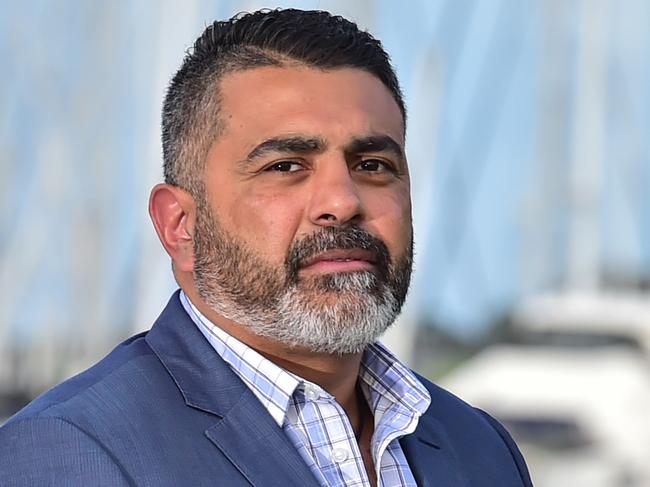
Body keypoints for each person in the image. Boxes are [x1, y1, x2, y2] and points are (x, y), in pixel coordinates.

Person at [0, 8, 532, 486]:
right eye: (285, 167)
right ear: (180, 224)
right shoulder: (71, 450)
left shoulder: (478, 446)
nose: (342, 202)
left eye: (373, 166)